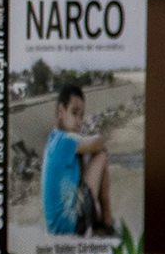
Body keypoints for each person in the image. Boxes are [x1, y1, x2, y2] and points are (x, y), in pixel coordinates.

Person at [42, 84, 116, 236]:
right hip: (71, 225)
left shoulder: (54, 138)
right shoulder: (65, 140)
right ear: (61, 111)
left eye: (81, 116)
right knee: (101, 154)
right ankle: (107, 221)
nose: (79, 121)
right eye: (74, 113)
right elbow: (99, 142)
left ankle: (99, 220)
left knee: (85, 154)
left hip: (57, 226)